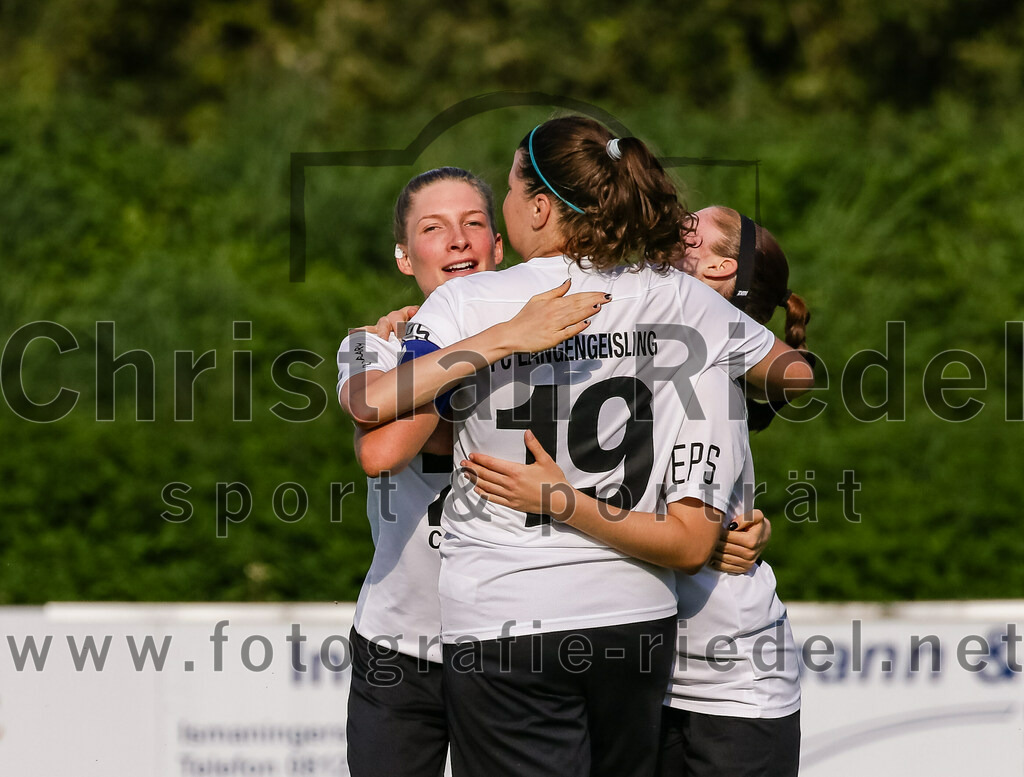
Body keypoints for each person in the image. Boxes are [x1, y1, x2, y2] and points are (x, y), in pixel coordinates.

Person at [355, 116, 813, 777]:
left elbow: (374, 411)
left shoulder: (470, 303)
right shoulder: (676, 297)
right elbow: (792, 372)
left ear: (537, 206)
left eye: (504, 193)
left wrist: (488, 340)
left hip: (508, 617)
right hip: (639, 615)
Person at [463, 205, 810, 776]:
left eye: (686, 233)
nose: (665, 230)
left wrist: (560, 502)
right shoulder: (647, 348)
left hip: (723, 683)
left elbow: (689, 545)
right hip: (644, 669)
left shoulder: (710, 381)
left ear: (720, 269)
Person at [336, 167, 605, 777]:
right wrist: (490, 339)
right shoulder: (368, 345)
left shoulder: (557, 334)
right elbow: (381, 452)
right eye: (433, 229)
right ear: (405, 257)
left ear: (499, 247)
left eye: (474, 223)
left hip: (511, 634)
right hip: (399, 645)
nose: (457, 240)